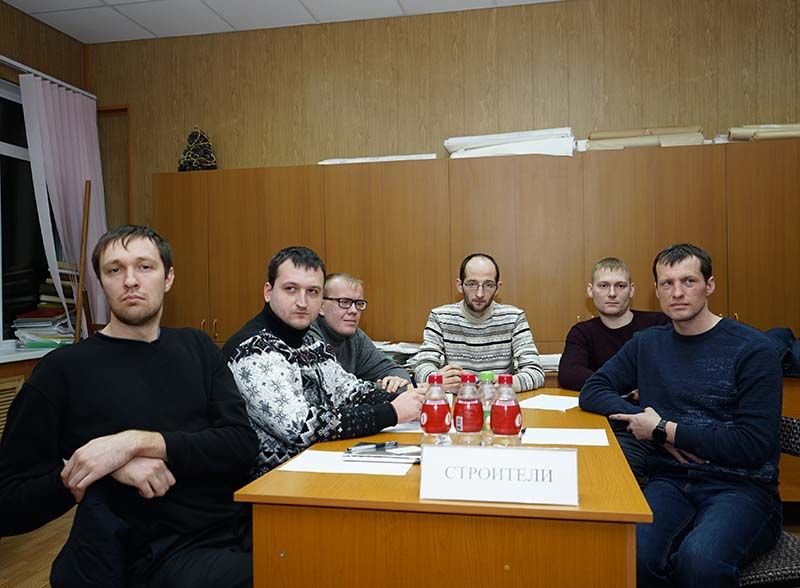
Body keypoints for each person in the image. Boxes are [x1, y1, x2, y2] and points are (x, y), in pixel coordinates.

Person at [0, 225, 259, 588]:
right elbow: (8, 504)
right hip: (154, 553)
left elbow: (241, 446)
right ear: (101, 282)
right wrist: (99, 470)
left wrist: (135, 443)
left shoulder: (198, 348)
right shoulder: (62, 371)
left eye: (145, 267)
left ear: (168, 278)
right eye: (114, 269)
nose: (131, 280)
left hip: (236, 525)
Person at [580, 243, 782, 587]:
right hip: (671, 480)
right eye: (667, 283)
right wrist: (647, 423)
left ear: (710, 285)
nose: (677, 293)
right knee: (630, 554)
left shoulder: (753, 349)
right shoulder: (648, 344)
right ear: (656, 290)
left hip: (742, 487)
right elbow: (593, 389)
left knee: (699, 561)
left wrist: (665, 430)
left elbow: (753, 444)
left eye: (688, 281)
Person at [223, 246, 424, 477]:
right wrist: (392, 412)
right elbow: (301, 427)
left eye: (312, 292)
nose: (302, 302)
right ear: (268, 292)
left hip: (318, 463)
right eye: (290, 289)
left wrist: (410, 398)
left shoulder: (309, 340)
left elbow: (348, 391)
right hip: (271, 481)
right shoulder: (253, 349)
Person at [410, 252, 544, 391]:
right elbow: (422, 367)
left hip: (500, 399)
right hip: (457, 400)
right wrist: (439, 380)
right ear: (460, 285)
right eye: (472, 284)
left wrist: (505, 384)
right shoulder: (440, 317)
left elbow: (536, 372)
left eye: (488, 285)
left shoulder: (514, 318)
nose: (480, 294)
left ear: (497, 288)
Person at [558, 257, 669, 390]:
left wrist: (601, 384)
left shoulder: (660, 324)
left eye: (620, 286)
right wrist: (626, 387)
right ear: (590, 290)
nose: (612, 293)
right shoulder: (582, 332)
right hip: (603, 403)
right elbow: (569, 374)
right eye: (603, 286)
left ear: (631, 290)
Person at [309, 272, 412, 392]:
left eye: (359, 304)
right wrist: (384, 388)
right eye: (344, 302)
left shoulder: (355, 336)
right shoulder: (308, 335)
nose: (354, 310)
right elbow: (335, 387)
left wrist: (396, 381)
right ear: (321, 306)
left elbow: (393, 371)